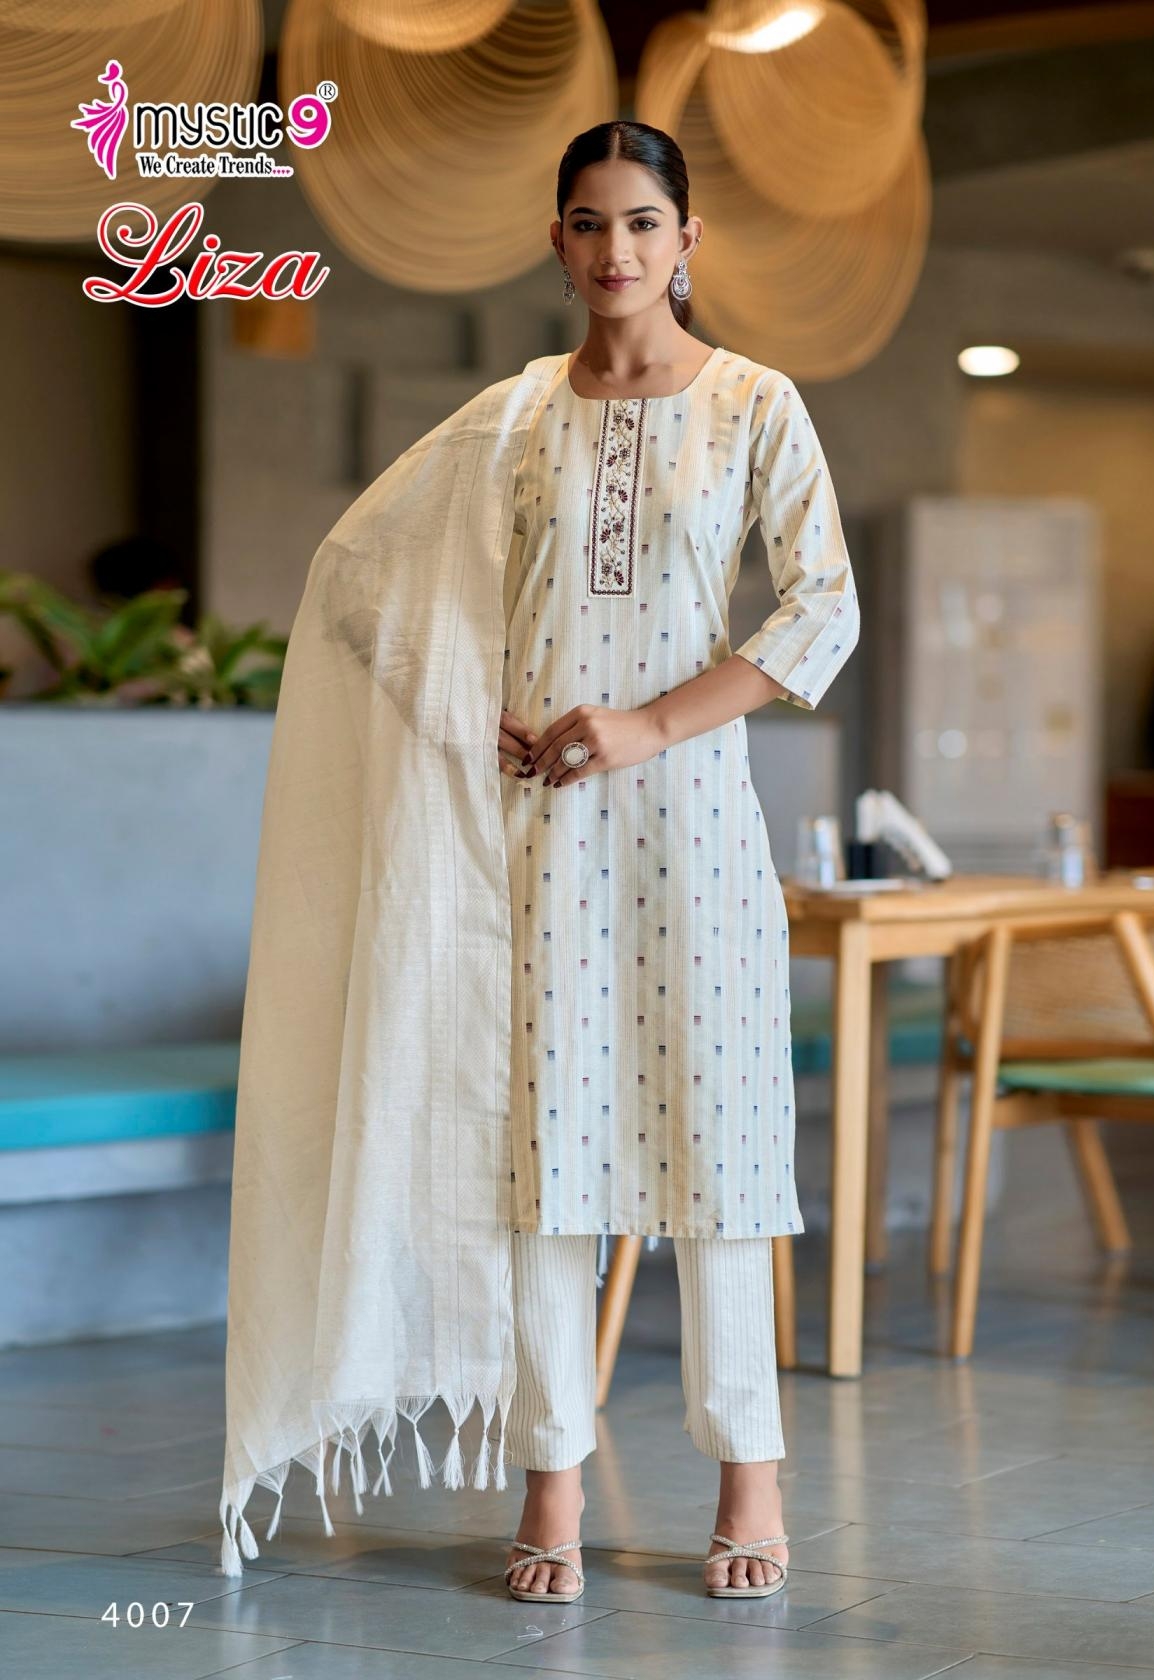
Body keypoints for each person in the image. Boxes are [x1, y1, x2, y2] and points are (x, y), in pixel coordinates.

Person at [219, 120, 859, 1607]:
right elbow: (359, 576)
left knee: (723, 1149)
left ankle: (750, 1476)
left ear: (687, 240)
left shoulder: (756, 404)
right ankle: (550, 1476)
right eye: (587, 223)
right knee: (543, 1162)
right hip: (538, 835)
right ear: (557, 241)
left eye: (641, 222)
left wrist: (648, 725)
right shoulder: (510, 419)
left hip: (695, 832)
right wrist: (467, 712)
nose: (615, 249)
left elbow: (820, 609)